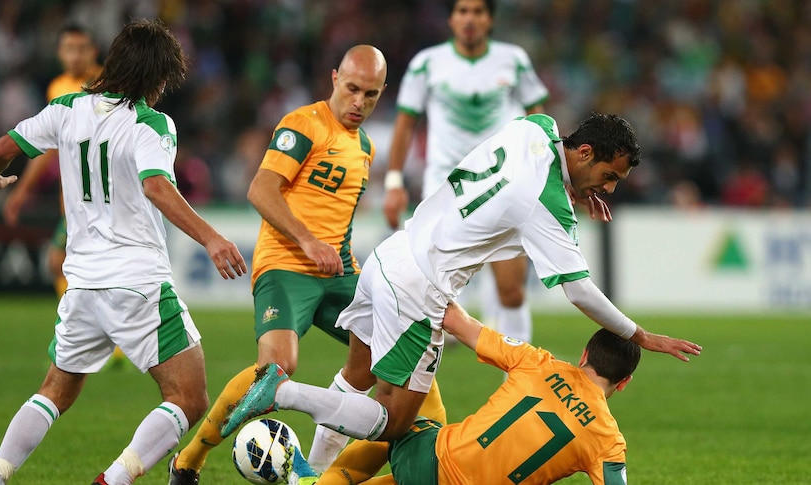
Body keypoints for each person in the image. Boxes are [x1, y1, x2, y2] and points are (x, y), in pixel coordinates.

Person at [220, 112, 703, 461]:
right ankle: (283, 393)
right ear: (584, 153)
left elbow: (518, 197)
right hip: (421, 288)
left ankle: (313, 474)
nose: (611, 188)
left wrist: (581, 190)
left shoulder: (536, 126)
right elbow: (578, 290)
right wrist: (640, 335)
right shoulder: (548, 202)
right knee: (394, 421)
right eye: (608, 176)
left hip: (392, 254)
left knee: (358, 373)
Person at [0, 19, 247, 485]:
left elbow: (1, 147)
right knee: (190, 397)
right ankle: (113, 480)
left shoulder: (65, 109)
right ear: (154, 77)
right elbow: (157, 187)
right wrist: (212, 238)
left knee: (55, 390)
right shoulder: (150, 122)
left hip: (82, 284)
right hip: (137, 282)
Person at [167, 45, 447, 485]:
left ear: (382, 93)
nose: (359, 102)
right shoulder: (303, 125)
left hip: (338, 274)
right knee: (276, 371)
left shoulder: (367, 147)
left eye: (370, 95)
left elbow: (343, 220)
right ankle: (190, 458)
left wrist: (353, 271)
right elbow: (261, 189)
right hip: (285, 267)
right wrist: (308, 240)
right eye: (352, 89)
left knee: (398, 368)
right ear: (334, 78)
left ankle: (317, 472)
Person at [321, 301, 643, 485]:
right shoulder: (608, 441)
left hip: (427, 462)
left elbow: (455, 321)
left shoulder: (537, 362)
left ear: (584, 355)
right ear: (624, 381)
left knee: (405, 405)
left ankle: (318, 468)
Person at [382, 0, 550, 344]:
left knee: (512, 291)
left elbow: (539, 119)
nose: (469, 19)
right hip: (445, 186)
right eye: (462, 11)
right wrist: (395, 181)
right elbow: (405, 123)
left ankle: (517, 379)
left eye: (477, 11)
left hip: (502, 182)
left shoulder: (513, 60)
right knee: (427, 288)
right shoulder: (426, 64)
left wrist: (544, 172)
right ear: (451, 19)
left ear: (490, 19)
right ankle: (419, 375)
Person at [2, 23, 102, 298]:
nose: (75, 55)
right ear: (59, 52)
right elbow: (49, 146)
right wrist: (21, 192)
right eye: (69, 48)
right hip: (71, 196)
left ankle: (81, 329)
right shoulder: (58, 87)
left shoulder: (105, 86)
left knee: (64, 263)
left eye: (81, 49)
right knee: (62, 263)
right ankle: (81, 328)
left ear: (93, 51)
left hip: (96, 195)